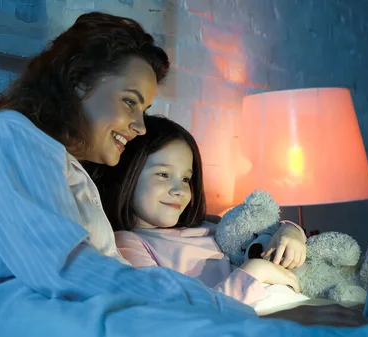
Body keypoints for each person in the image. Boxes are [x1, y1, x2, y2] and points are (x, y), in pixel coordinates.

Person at [0, 11, 368, 328]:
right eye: (130, 102)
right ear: (80, 81)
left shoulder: (57, 163)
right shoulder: (6, 137)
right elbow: (67, 271)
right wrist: (240, 312)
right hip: (28, 318)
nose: (139, 126)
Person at [88, 114, 307, 305]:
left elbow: (264, 231)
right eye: (163, 175)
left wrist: (290, 233)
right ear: (128, 176)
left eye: (186, 179)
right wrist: (254, 273)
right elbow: (170, 311)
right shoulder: (129, 243)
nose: (179, 190)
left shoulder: (207, 225)